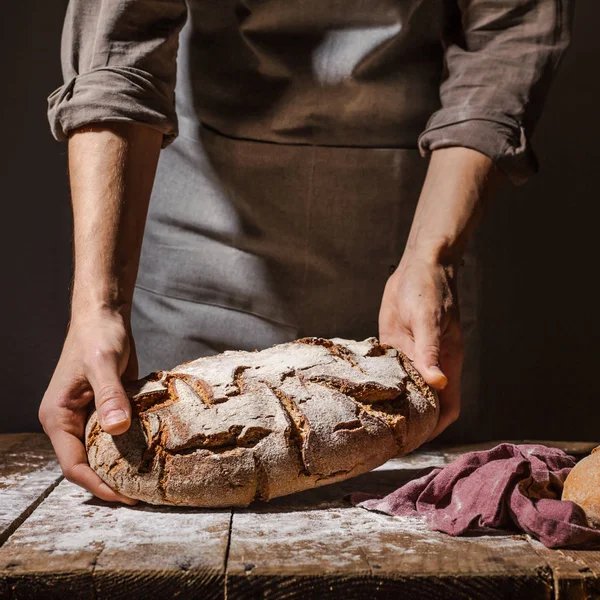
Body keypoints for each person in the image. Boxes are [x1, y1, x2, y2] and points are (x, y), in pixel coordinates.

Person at [38, 0, 573, 504]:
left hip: (411, 228)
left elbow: (509, 31)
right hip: (201, 234)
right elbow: (120, 40)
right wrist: (98, 304)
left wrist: (432, 255)